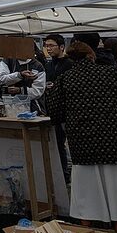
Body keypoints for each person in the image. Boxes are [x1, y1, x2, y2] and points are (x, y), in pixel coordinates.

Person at [46, 41, 117, 233]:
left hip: (82, 142)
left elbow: (54, 113)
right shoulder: (111, 73)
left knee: (86, 190)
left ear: (70, 58)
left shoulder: (65, 79)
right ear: (91, 56)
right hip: (114, 140)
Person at [43, 34, 73, 180]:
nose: (48, 49)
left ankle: (69, 171)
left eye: (51, 45)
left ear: (61, 47)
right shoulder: (48, 64)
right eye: (46, 46)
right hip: (53, 109)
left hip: (68, 109)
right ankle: (63, 173)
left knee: (70, 142)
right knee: (58, 143)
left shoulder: (70, 63)